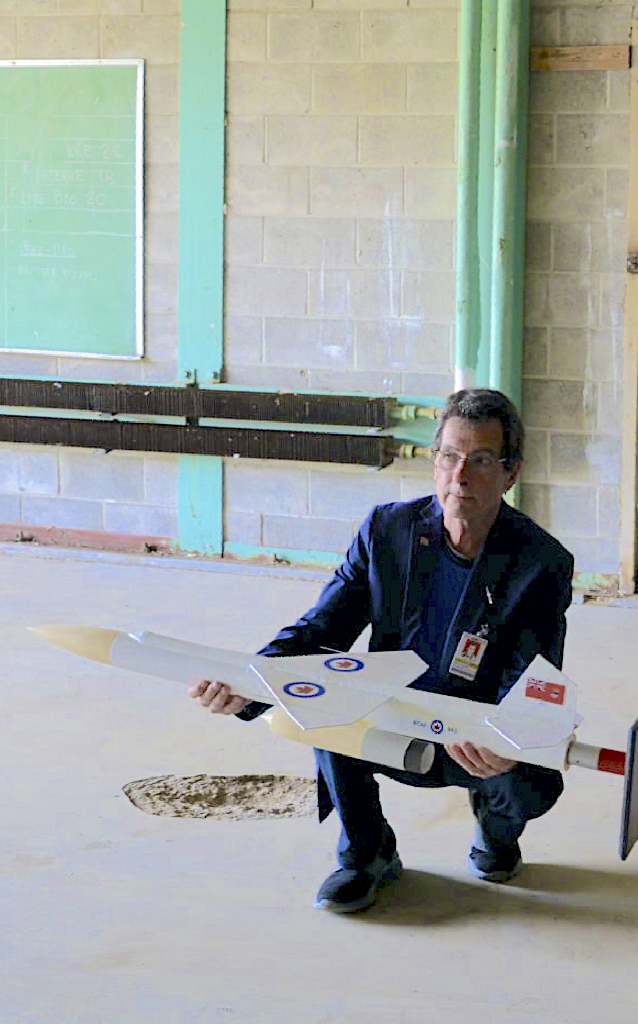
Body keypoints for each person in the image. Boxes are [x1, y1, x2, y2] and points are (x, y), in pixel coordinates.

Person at [188, 387, 576, 914]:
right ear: (435, 461)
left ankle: (496, 831)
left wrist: (506, 737)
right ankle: (367, 854)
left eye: (481, 461)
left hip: (475, 735)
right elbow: (320, 631)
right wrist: (248, 685)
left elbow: (531, 668)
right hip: (391, 717)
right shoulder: (386, 531)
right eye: (449, 457)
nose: (459, 477)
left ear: (511, 473)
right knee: (322, 701)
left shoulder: (542, 562)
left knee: (528, 784)